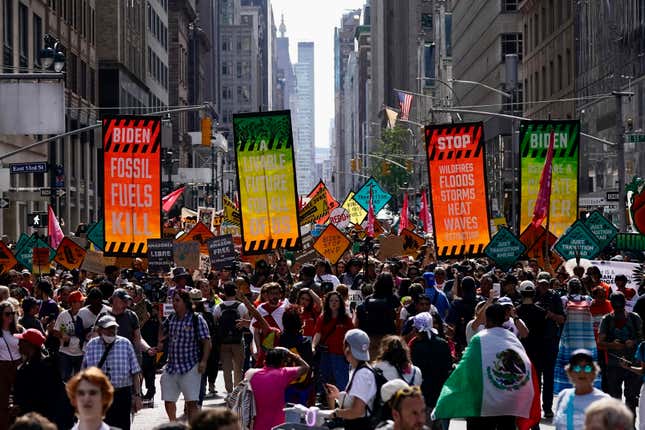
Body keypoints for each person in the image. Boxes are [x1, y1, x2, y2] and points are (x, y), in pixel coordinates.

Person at [156, 289, 211, 422]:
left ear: (185, 302)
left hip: (191, 366)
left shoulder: (197, 319)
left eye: (177, 300)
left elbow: (207, 342)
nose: (174, 303)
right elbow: (163, 332)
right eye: (172, 300)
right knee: (168, 400)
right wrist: (160, 342)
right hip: (172, 366)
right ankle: (173, 424)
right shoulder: (171, 318)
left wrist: (203, 361)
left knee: (191, 402)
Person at [83, 314, 143, 430]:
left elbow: (135, 372)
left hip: (122, 394)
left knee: (123, 426)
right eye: (108, 328)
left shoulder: (125, 343)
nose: (112, 331)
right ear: (100, 330)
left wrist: (137, 396)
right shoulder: (92, 345)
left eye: (114, 328)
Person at [13, 328, 74, 429]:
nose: (18, 344)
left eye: (21, 341)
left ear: (29, 345)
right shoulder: (46, 365)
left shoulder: (35, 369)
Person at [597, 291, 643, 416]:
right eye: (615, 304)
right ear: (611, 304)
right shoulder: (606, 319)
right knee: (615, 400)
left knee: (631, 399)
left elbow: (642, 339)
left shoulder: (634, 317)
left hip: (632, 365)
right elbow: (600, 343)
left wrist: (633, 342)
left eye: (620, 304)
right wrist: (613, 345)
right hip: (614, 364)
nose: (618, 307)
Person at [325, 329, 379, 430]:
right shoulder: (356, 369)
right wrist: (338, 395)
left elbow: (357, 411)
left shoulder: (362, 374)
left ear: (347, 348)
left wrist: (335, 413)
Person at [554, 278, 599, 395]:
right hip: (587, 339)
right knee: (587, 363)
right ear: (580, 287)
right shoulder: (588, 299)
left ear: (568, 288)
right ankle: (588, 386)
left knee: (570, 362)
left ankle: (568, 387)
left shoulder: (564, 299)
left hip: (570, 339)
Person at [247, 347, 309, 430]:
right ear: (282, 362)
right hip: (276, 425)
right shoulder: (284, 373)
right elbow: (306, 367)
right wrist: (290, 354)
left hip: (254, 425)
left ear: (265, 360)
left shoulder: (250, 373)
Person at [408, 312, 452, 429]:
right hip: (441, 396)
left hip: (424, 397)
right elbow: (448, 367)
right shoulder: (443, 344)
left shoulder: (416, 347)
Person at [553, 349, 609, 430]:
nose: (582, 372)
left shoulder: (604, 400)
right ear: (569, 372)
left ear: (594, 372)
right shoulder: (563, 395)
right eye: (576, 368)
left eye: (587, 368)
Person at [312, 291, 354, 393]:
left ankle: (342, 399)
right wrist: (313, 346)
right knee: (324, 378)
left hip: (340, 354)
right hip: (326, 353)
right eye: (331, 300)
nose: (334, 303)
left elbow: (351, 335)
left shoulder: (346, 318)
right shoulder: (322, 317)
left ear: (340, 303)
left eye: (336, 300)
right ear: (327, 303)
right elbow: (318, 333)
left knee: (341, 380)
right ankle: (324, 398)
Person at [213, 282, 248, 393]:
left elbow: (215, 322)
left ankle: (229, 391)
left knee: (226, 369)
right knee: (238, 368)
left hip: (224, 342)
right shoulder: (241, 306)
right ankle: (237, 392)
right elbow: (246, 322)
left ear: (224, 293)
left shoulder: (219, 307)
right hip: (238, 341)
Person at [356, 272, 400, 358]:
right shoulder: (393, 298)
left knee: (372, 363)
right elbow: (398, 315)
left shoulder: (369, 298)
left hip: (371, 336)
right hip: (388, 336)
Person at [53, 290, 88, 381]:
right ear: (72, 303)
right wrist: (62, 334)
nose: (82, 303)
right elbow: (55, 332)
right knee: (64, 378)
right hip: (65, 353)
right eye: (79, 301)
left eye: (82, 301)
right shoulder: (63, 315)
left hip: (81, 353)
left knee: (79, 380)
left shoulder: (85, 314)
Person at [1, 300, 22, 430]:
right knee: (3, 401)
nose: (10, 317)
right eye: (7, 314)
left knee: (19, 399)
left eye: (12, 313)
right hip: (2, 368)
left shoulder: (19, 329)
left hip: (18, 366)